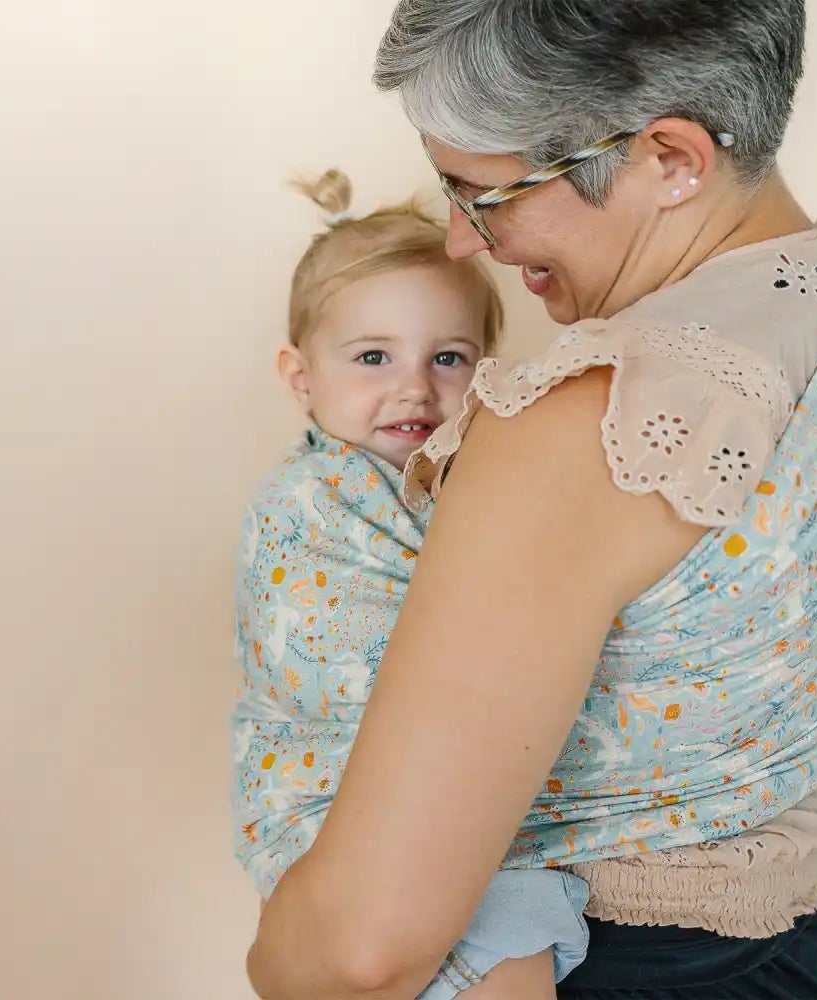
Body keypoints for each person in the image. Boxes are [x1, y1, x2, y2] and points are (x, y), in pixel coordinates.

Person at [247, 3, 817, 998]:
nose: (457, 241)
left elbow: (362, 950)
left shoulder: (583, 423)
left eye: (482, 192)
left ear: (669, 157)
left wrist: (275, 959)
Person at [235, 170, 587, 999]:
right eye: (372, 358)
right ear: (300, 379)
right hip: (339, 809)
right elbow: (342, 665)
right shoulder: (305, 504)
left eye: (449, 358)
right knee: (499, 929)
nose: (414, 387)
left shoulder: (477, 482)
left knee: (515, 927)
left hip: (458, 806)